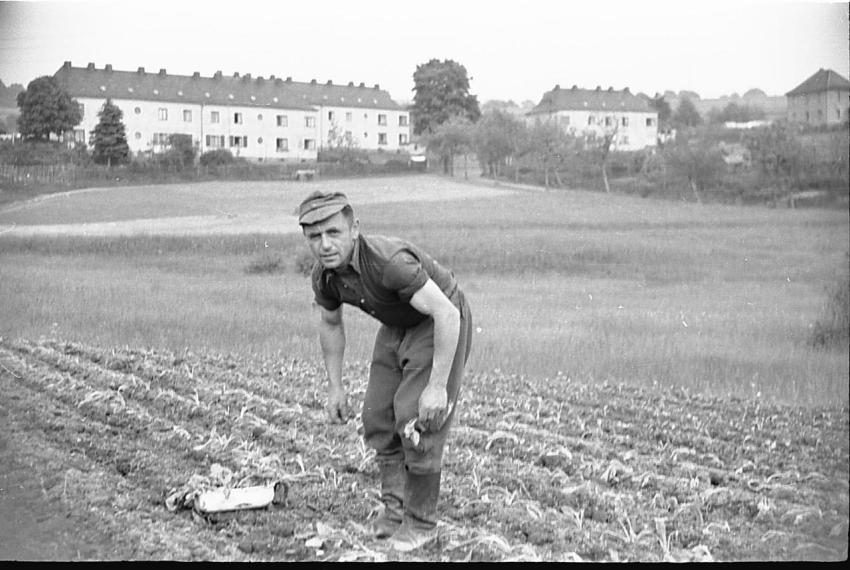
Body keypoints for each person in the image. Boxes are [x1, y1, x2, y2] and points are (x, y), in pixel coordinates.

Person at [297, 190, 473, 552]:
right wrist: (335, 387)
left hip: (438, 321)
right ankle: (395, 512)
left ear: (354, 229)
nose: (325, 245)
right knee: (377, 416)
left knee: (417, 420)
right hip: (397, 324)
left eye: (333, 232)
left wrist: (437, 387)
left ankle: (421, 524)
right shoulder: (325, 277)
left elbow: (446, 313)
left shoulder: (390, 262)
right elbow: (330, 323)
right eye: (314, 236)